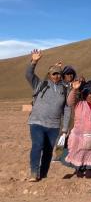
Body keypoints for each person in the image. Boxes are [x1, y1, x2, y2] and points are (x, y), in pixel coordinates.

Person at [25, 49, 71, 181]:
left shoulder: (64, 89)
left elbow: (67, 109)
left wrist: (65, 128)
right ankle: (34, 172)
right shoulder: (41, 84)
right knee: (37, 145)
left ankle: (43, 174)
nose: (56, 76)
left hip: (54, 126)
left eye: (58, 74)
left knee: (48, 151)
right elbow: (29, 74)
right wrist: (34, 61)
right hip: (37, 122)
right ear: (49, 74)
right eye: (54, 73)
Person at [64, 81, 91, 178]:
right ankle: (79, 168)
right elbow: (70, 101)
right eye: (90, 94)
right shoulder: (79, 104)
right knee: (79, 152)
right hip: (79, 137)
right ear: (85, 95)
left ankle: (89, 168)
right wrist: (74, 89)